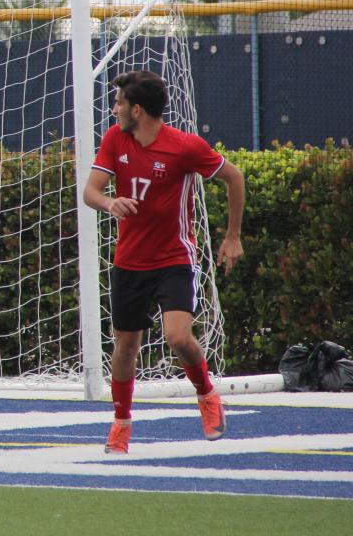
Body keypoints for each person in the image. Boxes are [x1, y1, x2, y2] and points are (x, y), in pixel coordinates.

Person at [83, 69, 244, 454]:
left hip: (174, 259)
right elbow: (91, 191)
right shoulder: (114, 139)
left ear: (137, 109)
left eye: (119, 102)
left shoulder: (184, 147)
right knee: (124, 348)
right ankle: (121, 423)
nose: (114, 107)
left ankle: (207, 395)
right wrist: (109, 202)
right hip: (129, 261)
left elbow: (233, 178)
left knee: (177, 337)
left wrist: (233, 236)